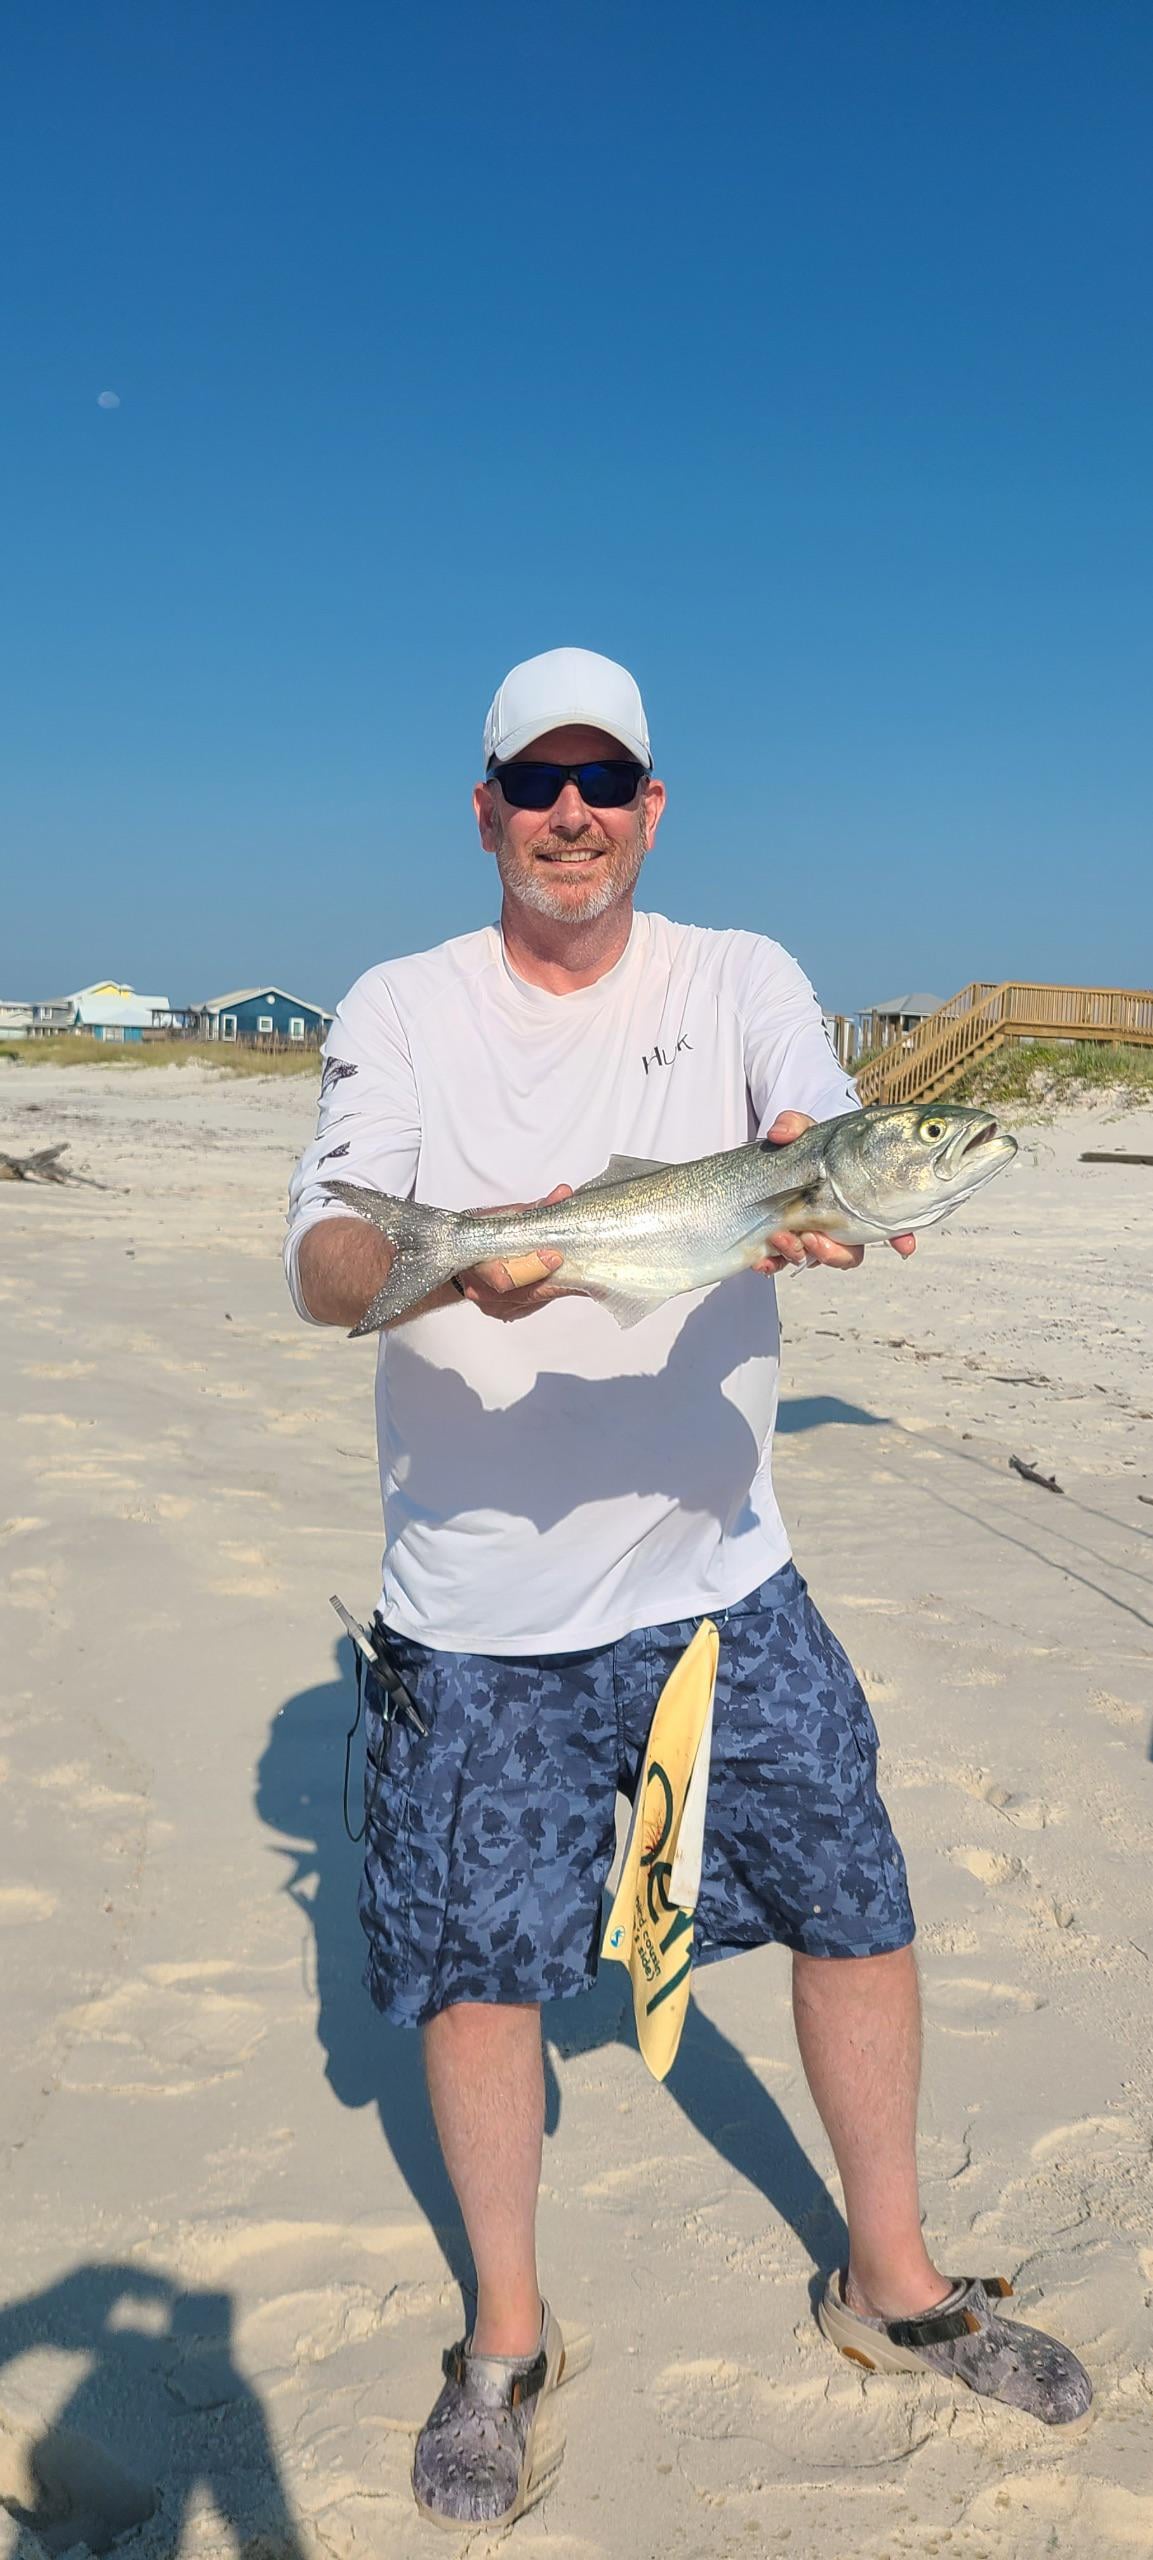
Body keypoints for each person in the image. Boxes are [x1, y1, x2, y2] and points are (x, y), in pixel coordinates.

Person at [284, 648, 1092, 2530]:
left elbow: (815, 1136)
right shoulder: (402, 1006)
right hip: (477, 1609)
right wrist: (436, 1268)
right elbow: (325, 1260)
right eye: (534, 781)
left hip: (726, 1576)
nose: (569, 813)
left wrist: (832, 1192)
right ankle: (504, 2340)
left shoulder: (737, 977)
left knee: (853, 1902)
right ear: (485, 809)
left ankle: (891, 2282)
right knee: (480, 1975)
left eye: (604, 782)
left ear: (652, 808)